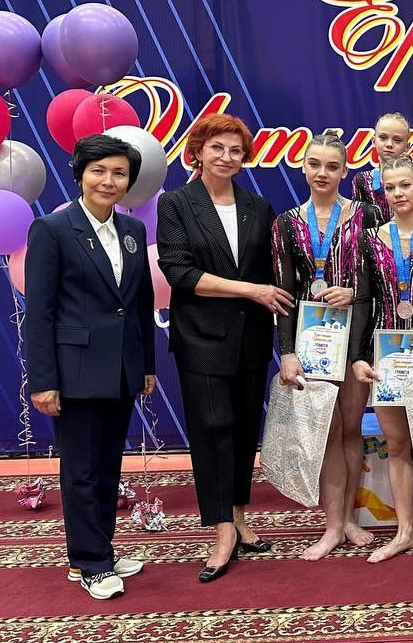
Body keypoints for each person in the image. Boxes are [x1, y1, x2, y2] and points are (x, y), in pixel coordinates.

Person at [156, 113, 291, 583]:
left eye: (235, 150)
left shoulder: (259, 206)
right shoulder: (176, 203)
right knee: (213, 430)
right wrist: (251, 290)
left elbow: (274, 273)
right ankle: (220, 532)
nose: (226, 157)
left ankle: (238, 515)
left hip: (251, 340)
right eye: (217, 148)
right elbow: (180, 273)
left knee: (243, 432)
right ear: (197, 151)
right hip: (201, 338)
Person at [24, 135, 154, 600]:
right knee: (80, 470)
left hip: (121, 370)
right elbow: (40, 312)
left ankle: (102, 549)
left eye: (119, 173)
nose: (108, 181)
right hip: (74, 370)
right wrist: (43, 380)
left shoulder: (133, 231)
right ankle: (90, 563)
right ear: (80, 174)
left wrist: (145, 366)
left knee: (107, 466)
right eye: (98, 171)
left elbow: (139, 306)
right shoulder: (52, 230)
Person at [271, 132, 382, 560]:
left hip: (354, 339)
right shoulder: (286, 222)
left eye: (332, 166)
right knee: (328, 431)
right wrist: (286, 351)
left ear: (344, 171)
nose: (322, 173)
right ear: (303, 167)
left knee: (350, 428)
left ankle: (348, 518)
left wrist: (353, 292)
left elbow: (380, 281)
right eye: (315, 164)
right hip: (311, 339)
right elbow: (283, 292)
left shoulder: (367, 215)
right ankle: (333, 525)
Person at [351, 155, 413, 562]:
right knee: (396, 444)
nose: (397, 194)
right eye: (390, 188)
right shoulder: (369, 240)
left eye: (405, 185)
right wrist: (359, 356)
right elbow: (362, 300)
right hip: (385, 356)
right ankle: (403, 530)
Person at [352, 112, 413, 224]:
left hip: (409, 233)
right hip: (372, 235)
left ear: (407, 146)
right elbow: (357, 222)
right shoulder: (362, 179)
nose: (389, 144)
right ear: (373, 141)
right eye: (383, 138)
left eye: (397, 140)